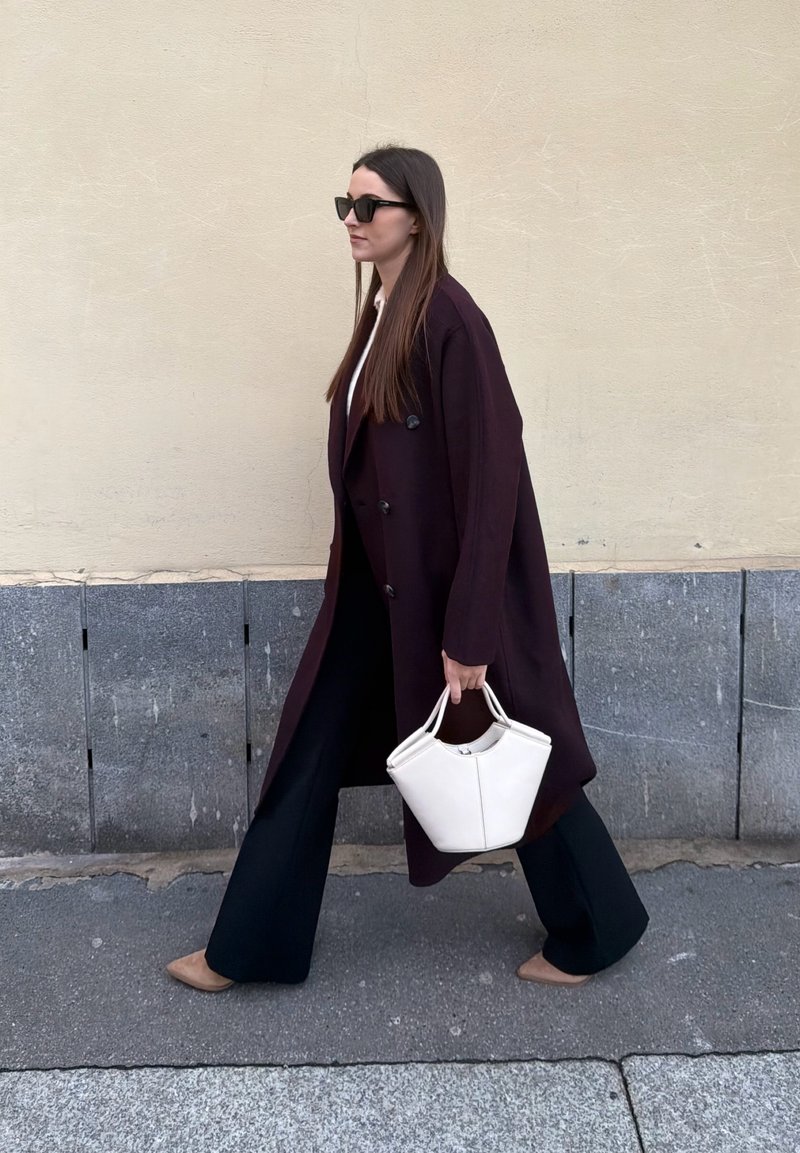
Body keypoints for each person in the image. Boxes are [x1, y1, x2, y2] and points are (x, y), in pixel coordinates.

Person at [166, 145, 649, 993]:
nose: (352, 221)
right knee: (308, 747)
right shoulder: (386, 311)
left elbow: (493, 476)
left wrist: (471, 630)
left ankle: (598, 926)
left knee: (514, 751)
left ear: (417, 218)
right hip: (373, 591)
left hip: (437, 592)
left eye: (370, 206)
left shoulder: (450, 318)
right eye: (345, 206)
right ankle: (252, 946)